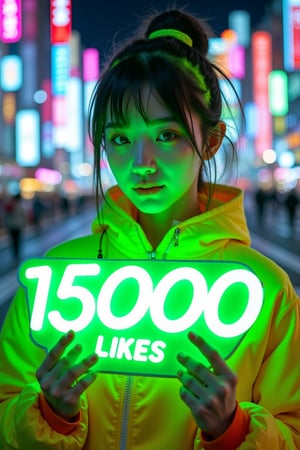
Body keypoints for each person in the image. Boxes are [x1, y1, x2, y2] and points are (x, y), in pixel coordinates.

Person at [0, 8, 299, 450]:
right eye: (120, 139)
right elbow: (7, 408)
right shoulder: (56, 278)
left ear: (212, 139)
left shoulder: (265, 290)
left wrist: (231, 429)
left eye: (166, 135)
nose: (141, 163)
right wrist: (50, 414)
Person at [4, 192, 27, 262]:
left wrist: (7, 225)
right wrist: (24, 224)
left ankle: (15, 255)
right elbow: (23, 216)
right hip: (18, 226)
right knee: (17, 241)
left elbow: (6, 216)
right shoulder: (19, 206)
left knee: (13, 241)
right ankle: (17, 255)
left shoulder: (10, 205)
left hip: (11, 226)